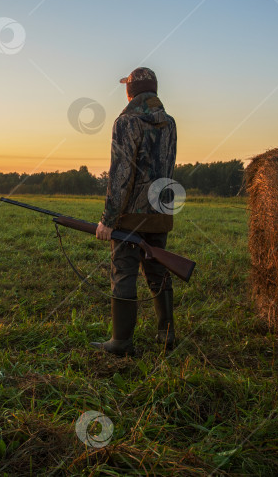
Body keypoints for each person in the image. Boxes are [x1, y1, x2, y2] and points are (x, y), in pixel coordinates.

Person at [92, 67, 177, 357]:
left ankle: (121, 342)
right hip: (161, 211)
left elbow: (120, 174)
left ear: (130, 91)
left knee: (124, 272)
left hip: (130, 215)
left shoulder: (126, 121)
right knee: (157, 270)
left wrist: (108, 219)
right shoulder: (170, 123)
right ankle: (167, 333)